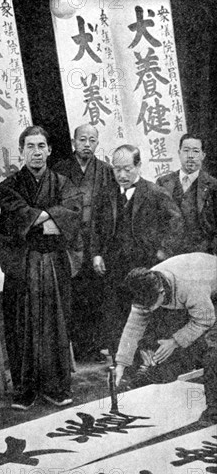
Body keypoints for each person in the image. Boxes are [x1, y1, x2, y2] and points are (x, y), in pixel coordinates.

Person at [0, 126, 82, 410]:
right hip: (24, 264)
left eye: (41, 146)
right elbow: (16, 216)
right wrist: (50, 217)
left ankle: (56, 387)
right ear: (22, 151)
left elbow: (73, 211)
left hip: (55, 263)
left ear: (49, 150)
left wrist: (38, 219)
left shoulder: (62, 182)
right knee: (23, 326)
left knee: (57, 325)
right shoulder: (9, 186)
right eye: (30, 146)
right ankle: (24, 389)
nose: (36, 151)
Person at [91, 144, 182, 357]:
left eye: (127, 168)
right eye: (116, 169)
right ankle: (119, 364)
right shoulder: (107, 194)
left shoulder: (155, 193)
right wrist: (96, 254)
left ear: (138, 166)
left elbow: (177, 223)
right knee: (115, 317)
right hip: (113, 269)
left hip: (144, 267)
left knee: (145, 315)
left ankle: (147, 364)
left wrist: (163, 252)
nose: (121, 175)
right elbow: (95, 227)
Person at [114, 253, 217, 426]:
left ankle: (215, 410)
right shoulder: (145, 284)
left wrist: (175, 341)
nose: (145, 309)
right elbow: (134, 326)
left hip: (209, 286)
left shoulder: (189, 286)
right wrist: (121, 363)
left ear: (161, 292)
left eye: (149, 305)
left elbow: (205, 319)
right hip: (196, 292)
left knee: (212, 351)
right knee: (167, 338)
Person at [53, 124, 116, 361]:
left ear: (97, 143)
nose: (87, 144)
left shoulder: (105, 170)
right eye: (82, 140)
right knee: (74, 295)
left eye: (91, 140)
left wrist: (101, 248)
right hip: (70, 241)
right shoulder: (60, 169)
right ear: (73, 142)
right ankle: (78, 348)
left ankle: (96, 347)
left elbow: (110, 211)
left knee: (97, 294)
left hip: (96, 239)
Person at [157, 133, 217, 255]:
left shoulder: (213, 185)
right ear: (179, 153)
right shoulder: (163, 183)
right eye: (186, 151)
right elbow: (154, 221)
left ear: (203, 155)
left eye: (195, 151)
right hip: (169, 254)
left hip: (203, 253)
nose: (190, 156)